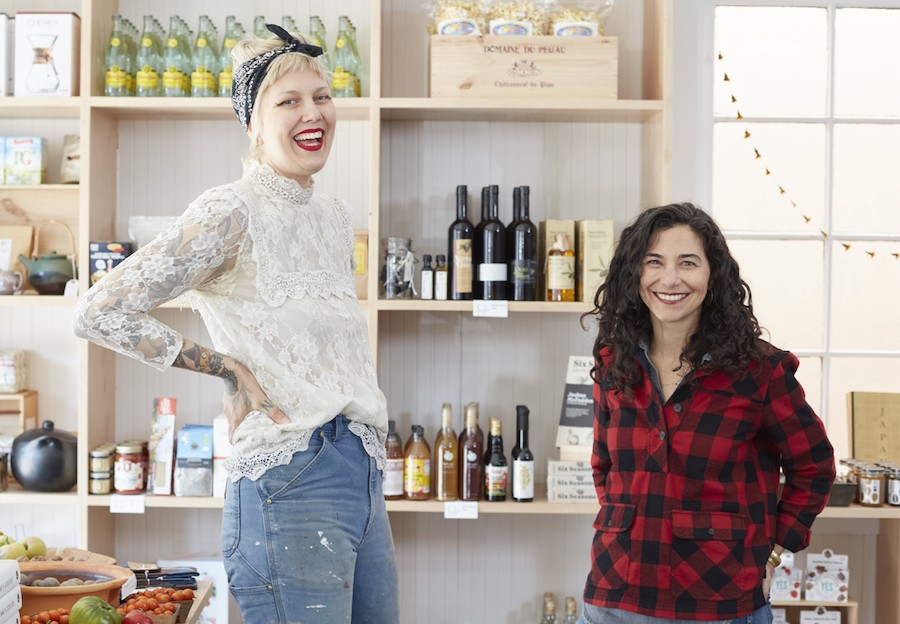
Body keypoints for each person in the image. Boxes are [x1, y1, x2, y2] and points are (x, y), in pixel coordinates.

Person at [73, 25, 399, 624]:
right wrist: (226, 368)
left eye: (322, 96)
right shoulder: (231, 209)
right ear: (252, 124)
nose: (314, 112)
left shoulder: (332, 216)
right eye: (289, 101)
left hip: (362, 470)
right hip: (289, 479)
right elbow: (100, 310)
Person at [579, 203, 835, 624]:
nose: (670, 278)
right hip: (614, 598)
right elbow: (604, 467)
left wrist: (774, 551)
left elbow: (815, 467)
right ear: (634, 275)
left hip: (719, 601)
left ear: (713, 275)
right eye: (653, 262)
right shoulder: (613, 363)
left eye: (688, 263)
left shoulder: (759, 370)